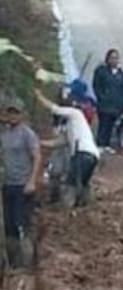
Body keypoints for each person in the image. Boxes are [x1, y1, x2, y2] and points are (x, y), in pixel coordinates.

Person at [34, 88, 100, 207]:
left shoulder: (75, 113)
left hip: (82, 152)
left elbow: (55, 109)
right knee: (83, 183)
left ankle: (67, 207)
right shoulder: (72, 126)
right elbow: (58, 143)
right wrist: (37, 142)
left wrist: (39, 97)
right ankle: (83, 207)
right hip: (92, 155)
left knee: (70, 183)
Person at [1, 98, 41, 269]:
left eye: (15, 112)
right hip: (8, 184)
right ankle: (12, 262)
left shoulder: (27, 134)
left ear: (22, 115)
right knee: (9, 224)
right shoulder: (5, 134)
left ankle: (26, 264)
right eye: (10, 112)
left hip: (23, 186)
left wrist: (32, 181)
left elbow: (37, 157)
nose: (12, 115)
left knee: (21, 224)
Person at [92, 48, 123, 150]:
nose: (114, 60)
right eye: (112, 58)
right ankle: (99, 144)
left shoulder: (122, 74)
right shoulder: (101, 71)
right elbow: (96, 85)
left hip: (116, 105)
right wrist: (101, 97)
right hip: (104, 104)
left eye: (116, 58)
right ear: (107, 59)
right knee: (103, 123)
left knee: (111, 125)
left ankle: (107, 144)